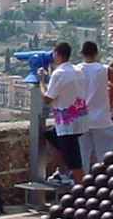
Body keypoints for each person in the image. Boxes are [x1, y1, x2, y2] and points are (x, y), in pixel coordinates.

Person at [37, 41, 88, 183]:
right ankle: (62, 172)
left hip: (67, 124)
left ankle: (81, 189)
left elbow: (48, 99)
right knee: (51, 136)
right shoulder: (77, 71)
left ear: (57, 54)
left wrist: (41, 81)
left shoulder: (59, 74)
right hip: (80, 119)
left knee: (74, 161)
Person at [75, 41, 113, 173]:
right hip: (101, 119)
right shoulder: (104, 70)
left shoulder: (75, 70)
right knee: (107, 157)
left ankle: (81, 182)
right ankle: (106, 182)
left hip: (81, 119)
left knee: (81, 156)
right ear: (96, 53)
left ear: (81, 53)